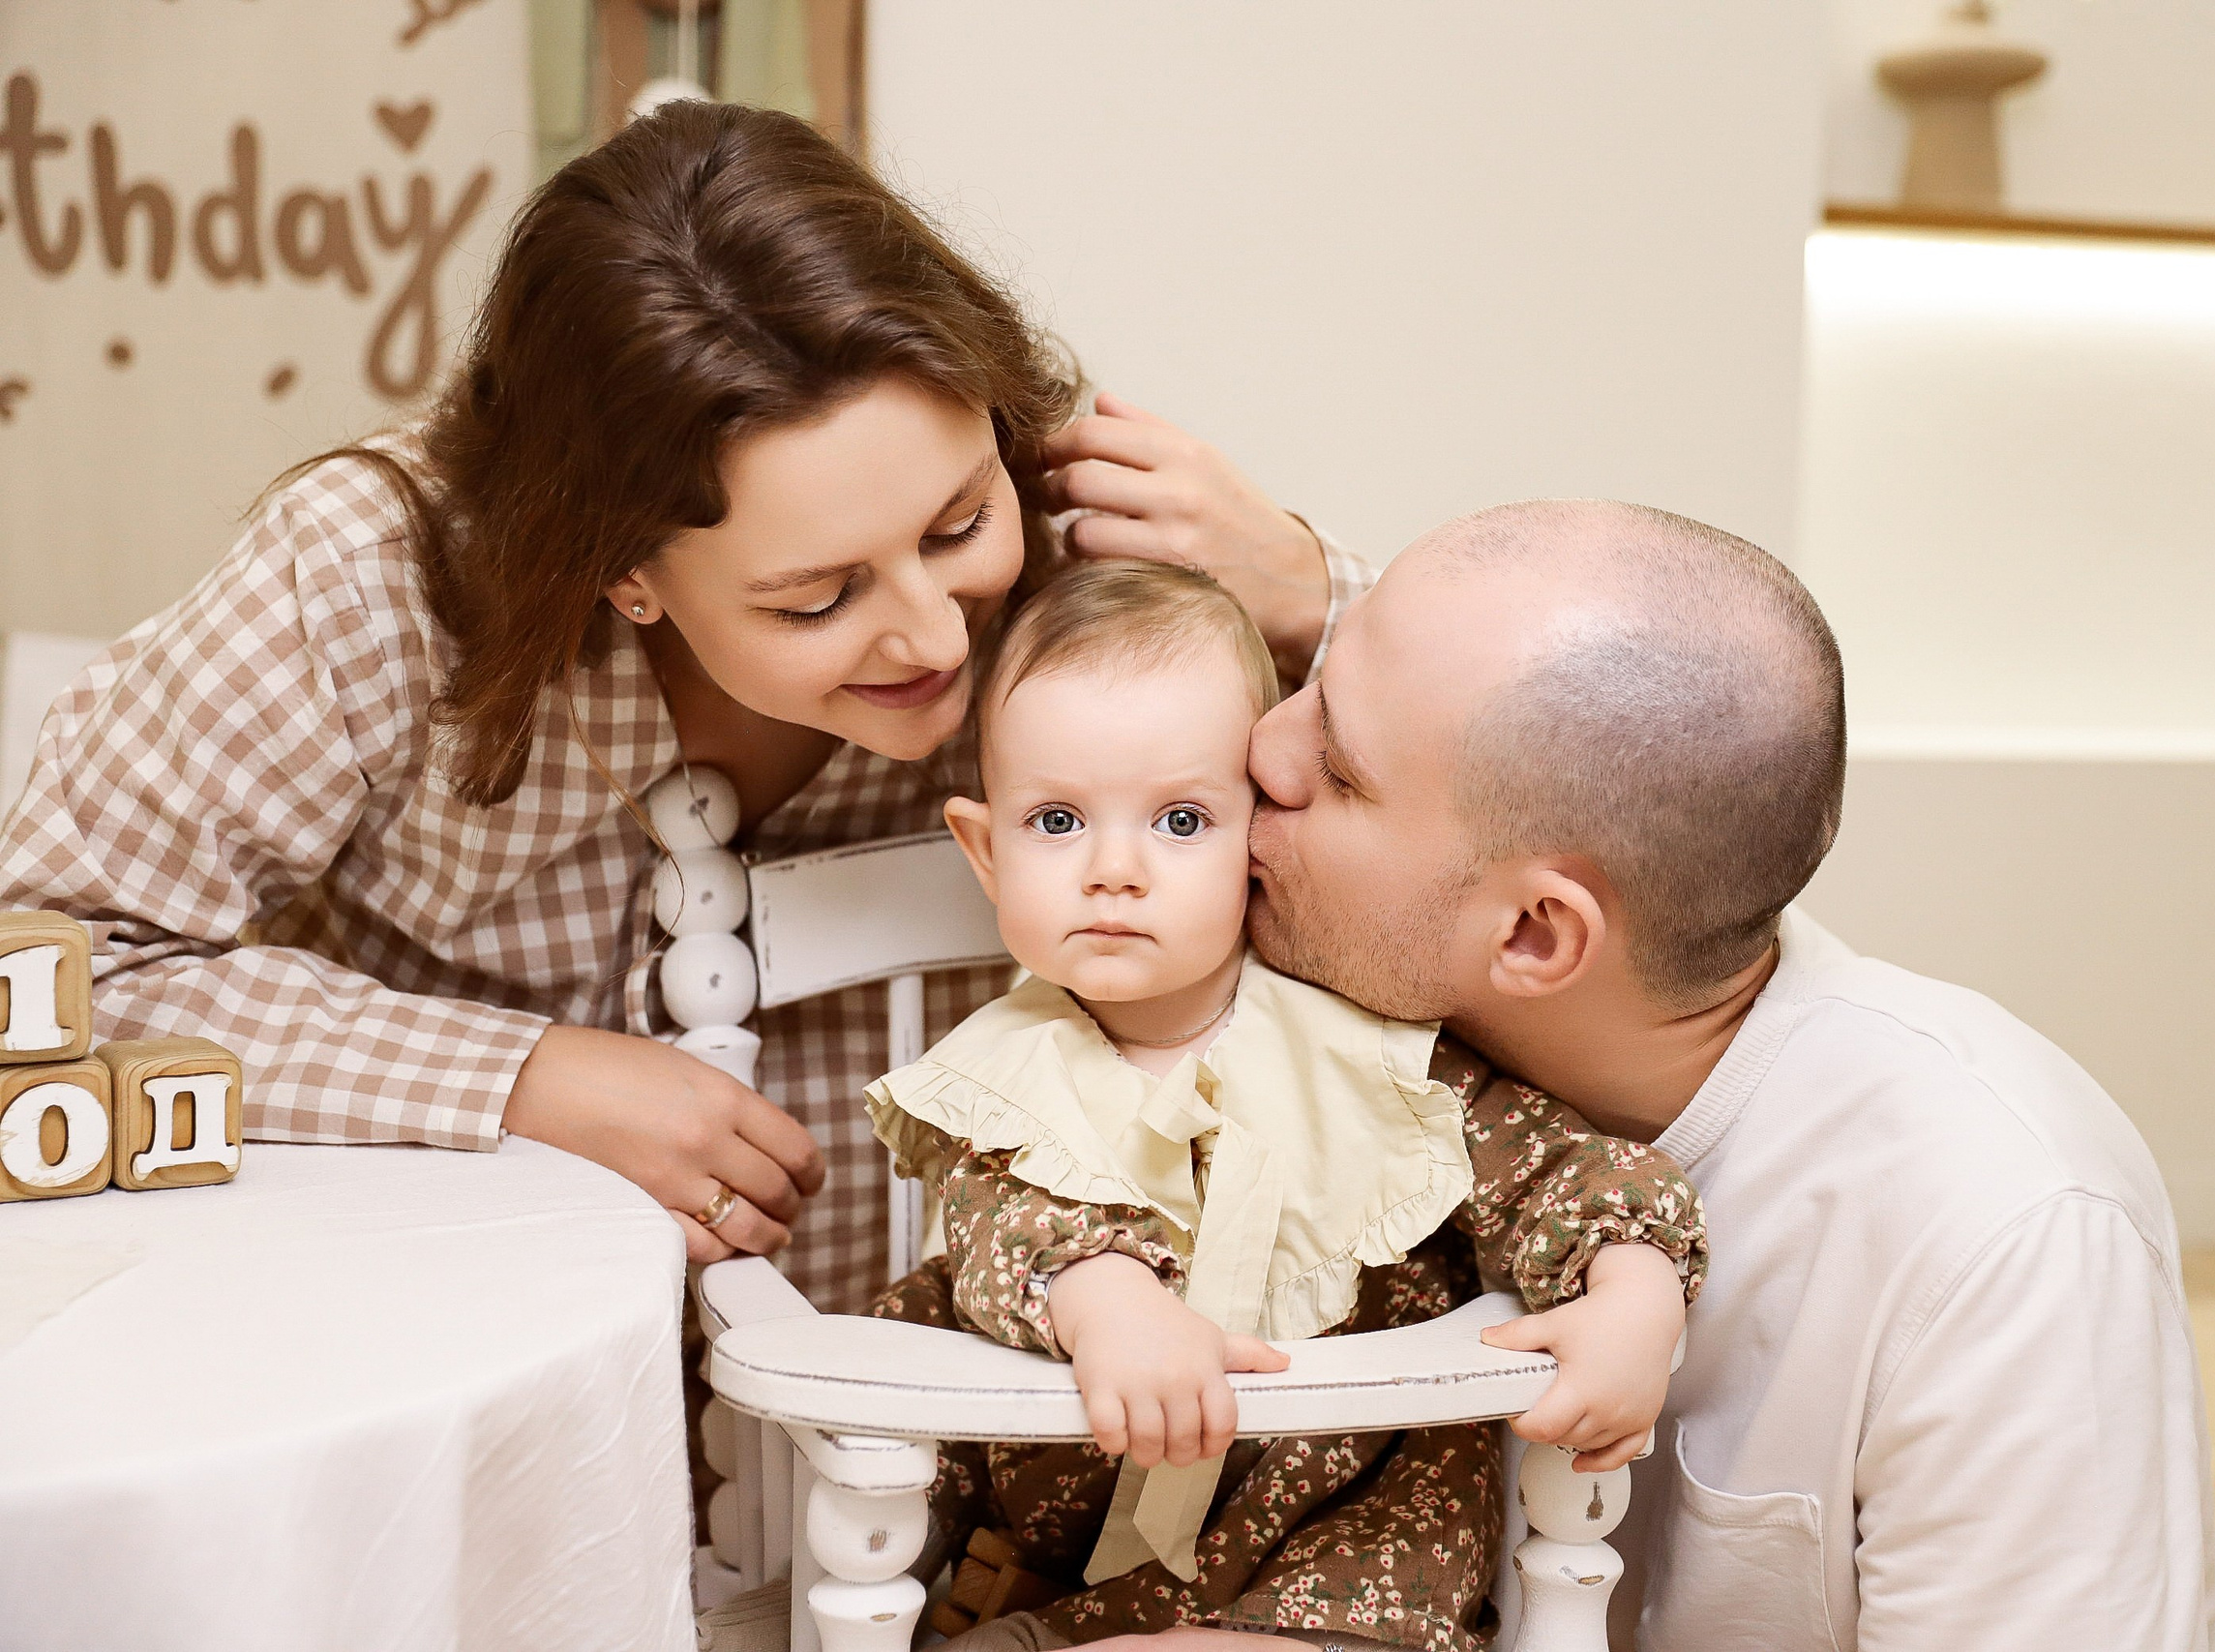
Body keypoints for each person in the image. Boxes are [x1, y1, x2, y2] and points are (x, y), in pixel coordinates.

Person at [0, 103, 1355, 1306]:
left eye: (958, 524)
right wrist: (523, 1076)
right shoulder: (369, 579)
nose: (940, 635)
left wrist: (1315, 598)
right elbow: (55, 960)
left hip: (941, 1432)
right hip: (464, 1366)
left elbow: (1449, 889)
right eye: (815, 597)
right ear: (623, 572)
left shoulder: (1098, 576)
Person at [1244, 498, 2215, 1650]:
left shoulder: (2006, 1232)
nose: (1263, 750)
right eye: (1312, 681)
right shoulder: (1292, 1043)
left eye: (1337, 770)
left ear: (1533, 935)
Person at [860, 558, 1704, 1650]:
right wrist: (1105, 1299)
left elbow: (1560, 1170)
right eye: (1057, 820)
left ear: (1256, 834)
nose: (1114, 869)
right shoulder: (998, 1076)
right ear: (986, 851)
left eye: (1180, 820)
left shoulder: (1369, 1051)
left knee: (1399, 1507)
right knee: (920, 1366)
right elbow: (1004, 1228)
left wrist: (1634, 1291)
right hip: (1064, 1554)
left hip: (1337, 1553)